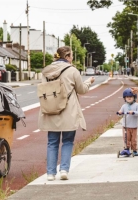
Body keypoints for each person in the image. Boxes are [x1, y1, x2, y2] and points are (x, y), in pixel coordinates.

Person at [38, 46, 95, 181]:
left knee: (52, 142)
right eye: (72, 55)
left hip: (51, 110)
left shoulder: (46, 71)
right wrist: (89, 82)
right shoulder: (72, 70)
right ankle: (64, 170)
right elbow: (81, 90)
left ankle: (50, 173)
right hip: (68, 111)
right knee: (68, 141)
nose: (73, 58)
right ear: (68, 56)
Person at [117, 88, 138, 156]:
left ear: (134, 97)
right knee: (126, 138)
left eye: (131, 97)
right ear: (125, 98)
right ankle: (126, 149)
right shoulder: (124, 106)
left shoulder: (136, 105)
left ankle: (134, 150)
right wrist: (119, 113)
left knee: (133, 140)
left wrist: (133, 112)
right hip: (126, 126)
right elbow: (120, 113)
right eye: (127, 97)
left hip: (134, 126)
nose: (129, 98)